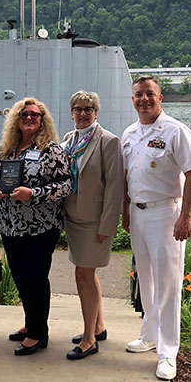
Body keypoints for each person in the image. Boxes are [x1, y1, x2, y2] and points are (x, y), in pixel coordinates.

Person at [121, 76, 191, 380]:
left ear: (160, 98)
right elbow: (127, 175)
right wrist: (125, 211)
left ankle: (168, 352)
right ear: (132, 100)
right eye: (139, 95)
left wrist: (186, 216)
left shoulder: (175, 131)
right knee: (146, 279)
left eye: (149, 94)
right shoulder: (129, 134)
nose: (144, 99)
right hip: (139, 214)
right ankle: (150, 335)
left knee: (168, 284)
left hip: (166, 213)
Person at [0, 98, 72, 356]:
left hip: (39, 227)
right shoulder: (7, 148)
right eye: (24, 114)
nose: (29, 118)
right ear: (16, 118)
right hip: (10, 225)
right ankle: (30, 323)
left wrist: (33, 193)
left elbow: (65, 185)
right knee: (21, 278)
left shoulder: (51, 150)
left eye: (35, 115)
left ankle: (38, 334)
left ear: (42, 120)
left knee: (35, 279)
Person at [60, 91, 123, 361]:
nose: (83, 113)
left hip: (94, 221)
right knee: (87, 274)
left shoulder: (108, 142)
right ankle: (98, 326)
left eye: (88, 109)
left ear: (96, 112)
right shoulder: (68, 140)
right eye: (78, 109)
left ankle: (88, 340)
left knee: (83, 276)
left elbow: (114, 187)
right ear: (71, 112)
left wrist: (108, 226)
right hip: (72, 218)